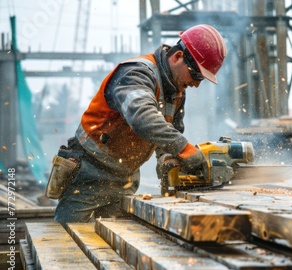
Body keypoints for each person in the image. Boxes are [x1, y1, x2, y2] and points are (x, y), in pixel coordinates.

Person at [52, 24, 227, 224]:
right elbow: (142, 117)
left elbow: (169, 135)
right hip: (89, 174)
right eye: (196, 75)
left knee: (114, 246)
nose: (196, 84)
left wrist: (168, 161)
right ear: (178, 56)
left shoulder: (177, 91)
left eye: (201, 80)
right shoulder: (136, 73)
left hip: (124, 179)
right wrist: (185, 150)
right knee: (67, 241)